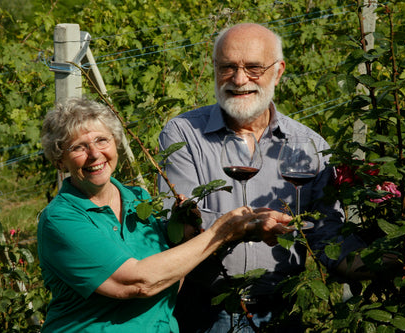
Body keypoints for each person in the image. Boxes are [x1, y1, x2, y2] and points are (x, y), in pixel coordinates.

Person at [158, 23, 366, 332]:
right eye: (227, 67)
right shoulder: (184, 135)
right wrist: (241, 226)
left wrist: (377, 265)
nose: (240, 80)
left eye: (254, 68)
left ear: (278, 71)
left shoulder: (309, 145)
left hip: (281, 314)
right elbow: (177, 228)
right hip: (205, 311)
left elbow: (327, 237)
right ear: (214, 68)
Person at [37, 97, 293, 332]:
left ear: (115, 143)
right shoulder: (61, 221)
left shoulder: (139, 201)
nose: (95, 154)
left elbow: (170, 276)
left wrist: (197, 231)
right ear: (60, 160)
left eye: (102, 140)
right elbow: (137, 283)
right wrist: (223, 231)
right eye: (78, 147)